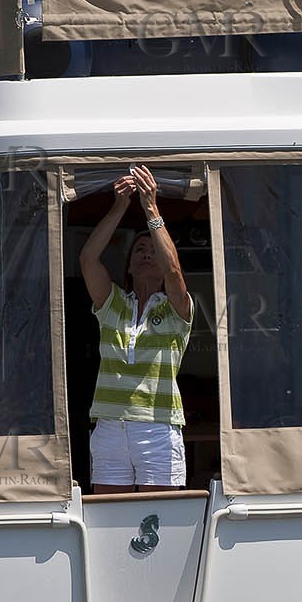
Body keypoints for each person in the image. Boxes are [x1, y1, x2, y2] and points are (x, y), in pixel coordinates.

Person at [78, 165, 193, 494]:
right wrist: (120, 206)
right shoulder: (113, 302)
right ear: (128, 264)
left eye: (151, 250)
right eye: (138, 250)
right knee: (110, 525)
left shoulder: (175, 309)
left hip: (157, 428)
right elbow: (88, 258)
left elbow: (173, 271)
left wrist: (151, 208)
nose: (145, 254)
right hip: (110, 427)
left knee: (156, 524)